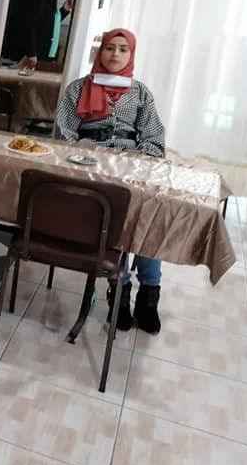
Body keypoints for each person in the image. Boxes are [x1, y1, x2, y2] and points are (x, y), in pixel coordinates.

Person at [56, 28, 165, 333]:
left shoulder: (140, 92)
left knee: (149, 212)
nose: (115, 54)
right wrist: (89, 155)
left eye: (122, 49)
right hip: (91, 164)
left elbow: (154, 138)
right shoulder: (77, 89)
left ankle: (149, 294)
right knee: (115, 214)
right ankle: (120, 290)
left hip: (132, 164)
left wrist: (136, 161)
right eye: (109, 48)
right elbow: (64, 135)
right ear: (100, 51)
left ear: (131, 55)